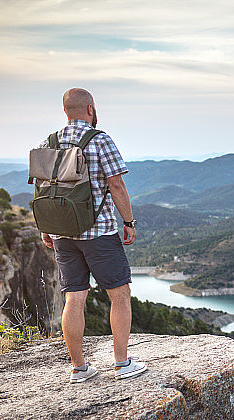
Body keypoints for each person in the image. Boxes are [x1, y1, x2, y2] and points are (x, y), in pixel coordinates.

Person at [39, 88, 146, 383]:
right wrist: (129, 221)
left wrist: (47, 228)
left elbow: (43, 189)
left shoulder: (48, 143)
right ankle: (122, 364)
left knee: (74, 297)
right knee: (119, 295)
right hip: (98, 233)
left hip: (62, 233)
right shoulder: (100, 141)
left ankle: (79, 368)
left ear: (65, 111)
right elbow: (117, 186)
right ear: (90, 109)